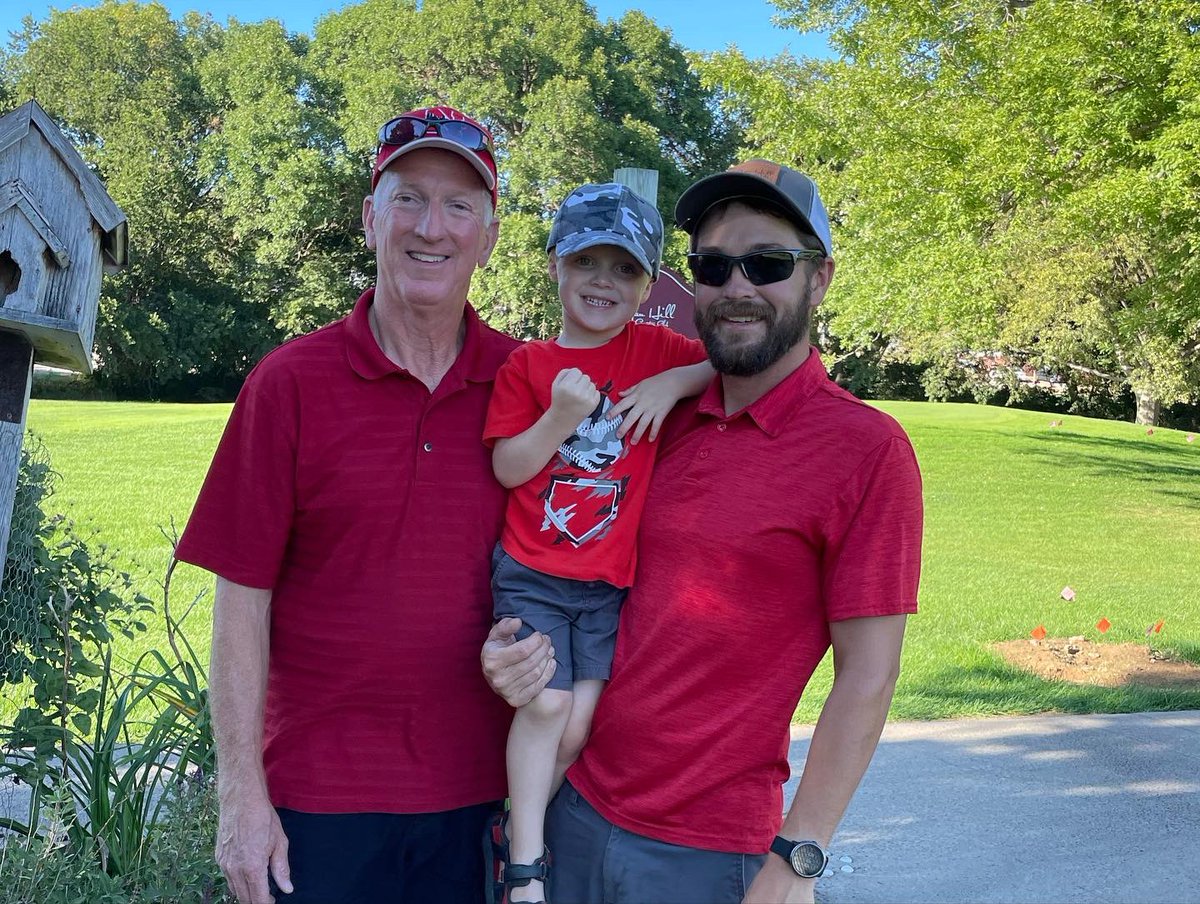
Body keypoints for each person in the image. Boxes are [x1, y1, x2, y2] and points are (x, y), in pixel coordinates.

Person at [482, 159, 924, 904]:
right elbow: (559, 547)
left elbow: (869, 676)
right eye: (714, 266)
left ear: (821, 278)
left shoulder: (865, 451)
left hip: (707, 855)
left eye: (768, 262)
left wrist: (796, 861)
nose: (738, 285)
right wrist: (513, 652)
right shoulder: (649, 414)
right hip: (572, 813)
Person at [176, 106, 519, 904]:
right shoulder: (290, 384)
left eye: (460, 205)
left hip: (480, 802)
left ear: (490, 234)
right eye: (408, 198)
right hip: (313, 807)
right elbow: (240, 600)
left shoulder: (530, 388)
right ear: (371, 218)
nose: (431, 227)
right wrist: (240, 797)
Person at [483, 183, 711, 903]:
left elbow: (726, 360)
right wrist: (561, 416)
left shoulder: (656, 350)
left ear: (648, 284)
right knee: (546, 708)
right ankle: (526, 869)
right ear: (555, 265)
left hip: (608, 583)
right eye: (587, 262)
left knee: (579, 727)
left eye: (624, 269)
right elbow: (508, 467)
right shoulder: (528, 365)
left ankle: (504, 831)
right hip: (533, 572)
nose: (603, 282)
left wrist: (672, 382)